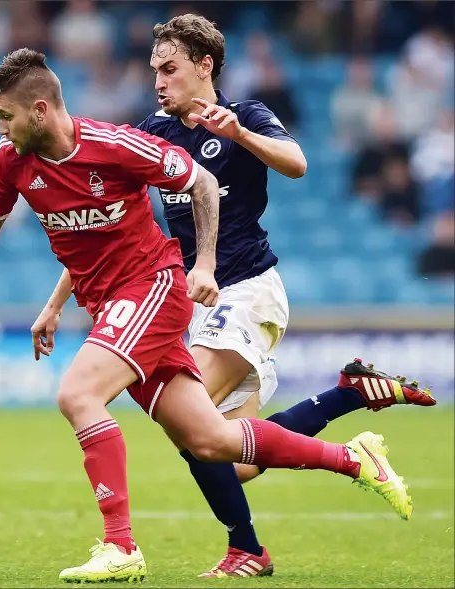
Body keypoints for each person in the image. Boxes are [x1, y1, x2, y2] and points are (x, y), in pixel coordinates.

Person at [0, 49, 414, 584]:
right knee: (213, 444)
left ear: (38, 109)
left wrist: (206, 265)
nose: (1, 130)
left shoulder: (116, 144)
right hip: (113, 302)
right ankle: (352, 460)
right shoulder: (9, 162)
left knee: (78, 394)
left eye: (5, 117)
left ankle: (122, 545)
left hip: (163, 287)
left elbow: (200, 182)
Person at [137, 14, 436, 578]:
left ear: (204, 66)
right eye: (154, 69)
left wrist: (239, 137)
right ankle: (348, 396)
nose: (158, 81)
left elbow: (296, 163)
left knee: (188, 411)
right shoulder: (155, 133)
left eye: (170, 69)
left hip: (248, 291)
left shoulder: (245, 115)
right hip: (200, 304)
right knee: (230, 457)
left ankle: (252, 544)